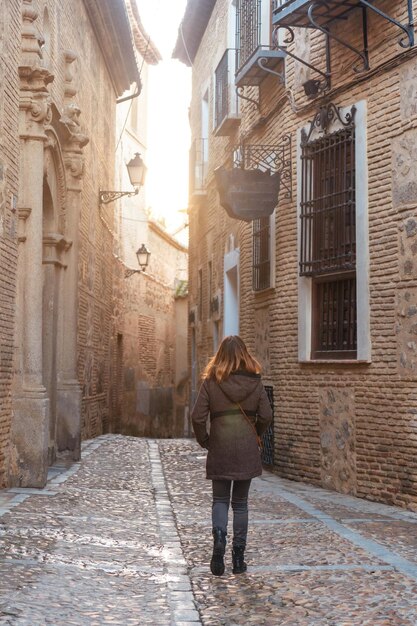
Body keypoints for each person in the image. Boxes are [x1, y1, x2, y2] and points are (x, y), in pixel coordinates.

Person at [191, 335, 273, 576]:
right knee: (240, 504)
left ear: (220, 355)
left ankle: (219, 538)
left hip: (220, 448)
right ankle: (238, 558)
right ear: (244, 355)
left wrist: (205, 440)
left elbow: (197, 417)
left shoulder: (211, 382)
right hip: (246, 449)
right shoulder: (255, 383)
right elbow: (266, 415)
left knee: (219, 500)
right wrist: (255, 433)